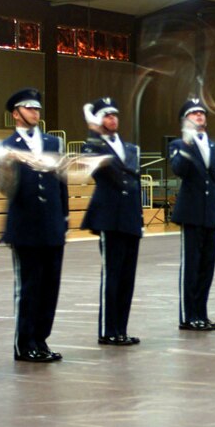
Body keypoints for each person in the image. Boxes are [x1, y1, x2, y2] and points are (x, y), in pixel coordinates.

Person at [0, 88, 68, 363]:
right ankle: (24, 343)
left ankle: (41, 339)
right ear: (16, 113)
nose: (35, 112)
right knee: (29, 287)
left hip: (51, 223)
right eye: (29, 108)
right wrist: (4, 165)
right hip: (25, 224)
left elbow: (61, 182)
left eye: (37, 108)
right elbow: (4, 187)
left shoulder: (52, 143)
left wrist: (64, 217)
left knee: (50, 285)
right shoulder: (7, 145)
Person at [80, 97, 142, 345]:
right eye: (106, 115)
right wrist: (93, 132)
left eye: (114, 114)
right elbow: (90, 164)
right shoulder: (94, 146)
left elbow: (133, 180)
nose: (112, 119)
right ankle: (108, 331)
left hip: (129, 217)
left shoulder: (130, 148)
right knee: (112, 275)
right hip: (109, 217)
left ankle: (121, 329)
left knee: (127, 277)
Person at [169, 98, 215, 331]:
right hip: (191, 211)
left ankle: (202, 313)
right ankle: (188, 315)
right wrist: (187, 142)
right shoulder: (178, 144)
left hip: (210, 210)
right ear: (185, 120)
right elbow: (179, 169)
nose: (199, 116)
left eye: (201, 113)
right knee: (191, 266)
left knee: (207, 267)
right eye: (193, 113)